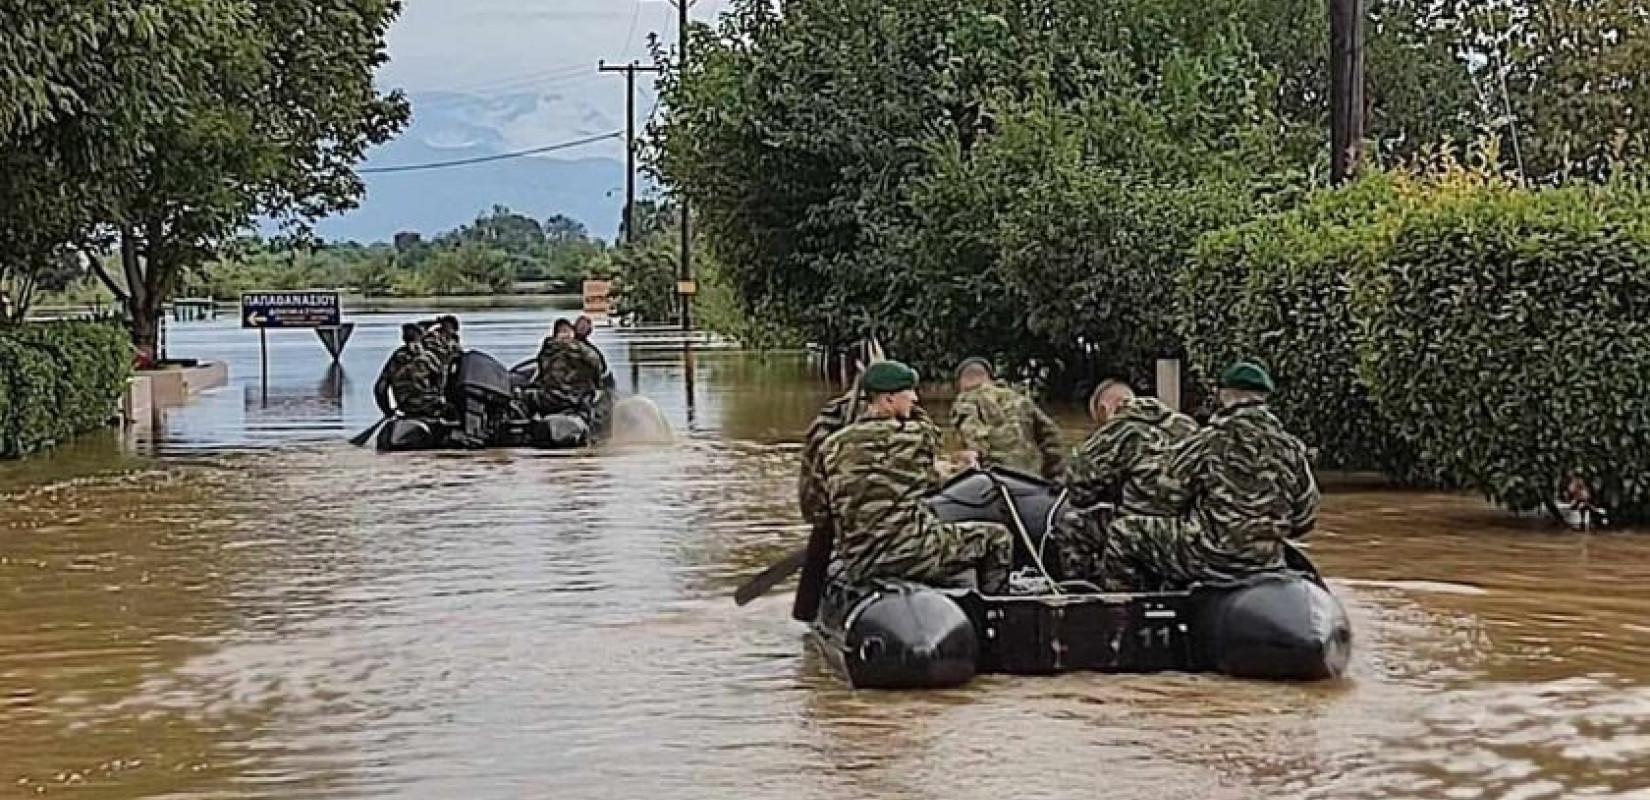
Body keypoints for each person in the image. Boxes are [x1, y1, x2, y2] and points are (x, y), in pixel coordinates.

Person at [1092, 362, 1319, 591]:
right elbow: (1304, 518)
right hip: (1268, 561)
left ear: (1222, 394)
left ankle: (1127, 616)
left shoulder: (1209, 440)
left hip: (1211, 558)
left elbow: (1165, 496)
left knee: (1122, 532)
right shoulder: (1291, 448)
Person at [819, 361, 1015, 593]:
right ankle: (994, 612)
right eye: (909, 392)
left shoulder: (832, 445)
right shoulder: (916, 436)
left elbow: (816, 508)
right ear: (889, 399)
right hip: (909, 552)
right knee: (998, 538)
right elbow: (932, 449)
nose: (915, 398)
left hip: (860, 563)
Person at [949, 357, 1064, 480]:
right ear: (990, 378)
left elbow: (972, 435)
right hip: (1032, 475)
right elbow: (1052, 435)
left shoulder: (965, 400)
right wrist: (1054, 475)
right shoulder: (1019, 399)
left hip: (998, 478)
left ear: (961, 383)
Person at [373, 323, 447, 420]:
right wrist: (440, 395)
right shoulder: (428, 356)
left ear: (404, 338)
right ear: (421, 336)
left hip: (406, 407)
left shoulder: (395, 358)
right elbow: (442, 378)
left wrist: (388, 412)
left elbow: (380, 388)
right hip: (431, 407)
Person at [533, 318, 604, 416]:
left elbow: (541, 370)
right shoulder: (580, 349)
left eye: (567, 331)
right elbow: (597, 364)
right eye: (563, 331)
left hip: (551, 397)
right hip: (572, 397)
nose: (565, 335)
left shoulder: (547, 348)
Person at [573, 315, 617, 390]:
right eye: (581, 325)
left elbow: (602, 365)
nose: (582, 328)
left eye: (585, 326)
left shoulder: (590, 347)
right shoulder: (572, 343)